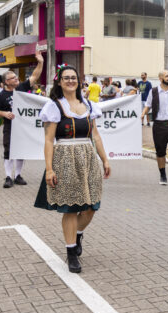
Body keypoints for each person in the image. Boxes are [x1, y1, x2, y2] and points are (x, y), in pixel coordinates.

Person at [34, 66, 111, 273]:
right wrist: (49, 169)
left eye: (73, 78)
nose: (70, 81)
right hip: (65, 157)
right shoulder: (54, 106)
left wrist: (105, 159)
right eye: (66, 78)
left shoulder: (88, 104)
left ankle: (76, 235)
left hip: (87, 157)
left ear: (79, 81)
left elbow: (95, 136)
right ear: (59, 82)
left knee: (90, 207)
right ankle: (71, 253)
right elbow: (49, 140)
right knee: (70, 207)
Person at [0, 47, 45, 188]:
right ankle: (8, 177)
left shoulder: (21, 88)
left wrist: (40, 62)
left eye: (16, 77)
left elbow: (34, 76)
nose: (17, 79)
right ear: (7, 82)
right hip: (10, 127)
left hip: (23, 127)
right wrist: (4, 114)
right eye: (13, 78)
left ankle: (18, 175)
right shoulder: (1, 95)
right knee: (8, 151)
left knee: (21, 150)